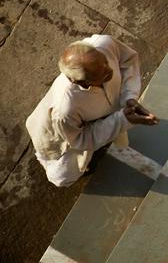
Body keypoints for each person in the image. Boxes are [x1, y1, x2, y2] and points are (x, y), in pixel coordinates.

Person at [25, 35, 158, 187]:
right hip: (63, 134)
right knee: (61, 177)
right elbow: (80, 140)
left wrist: (129, 97)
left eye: (105, 63)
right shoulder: (65, 110)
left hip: (102, 114)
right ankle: (46, 160)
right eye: (100, 75)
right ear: (79, 82)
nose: (109, 71)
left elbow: (128, 60)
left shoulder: (105, 44)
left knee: (117, 137)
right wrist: (122, 120)